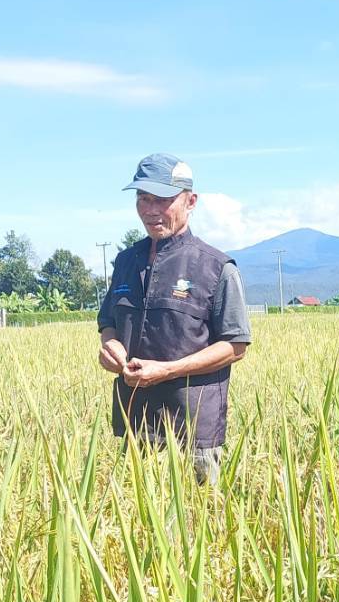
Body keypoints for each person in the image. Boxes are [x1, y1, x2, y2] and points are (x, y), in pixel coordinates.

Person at [97, 153, 251, 484]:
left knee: (201, 511)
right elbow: (108, 322)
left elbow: (235, 346)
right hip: (136, 424)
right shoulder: (125, 262)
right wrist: (111, 347)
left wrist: (168, 370)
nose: (151, 210)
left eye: (162, 199)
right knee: (136, 509)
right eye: (143, 198)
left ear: (190, 201)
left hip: (194, 431)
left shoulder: (216, 267)